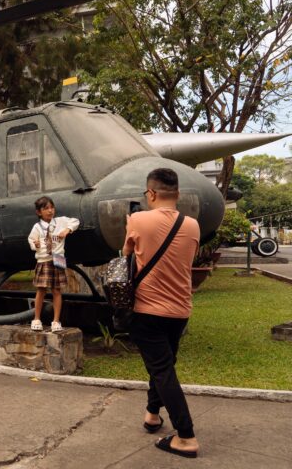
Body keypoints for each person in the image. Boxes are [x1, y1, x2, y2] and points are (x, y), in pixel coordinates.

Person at [122, 168, 200, 459]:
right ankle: (152, 414)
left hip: (147, 310)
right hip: (180, 311)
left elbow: (125, 256)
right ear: (177, 194)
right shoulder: (192, 225)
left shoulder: (138, 220)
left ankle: (186, 436)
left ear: (150, 194)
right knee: (163, 365)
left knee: (162, 369)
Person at [27, 196, 79, 332]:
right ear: (39, 212)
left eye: (52, 207)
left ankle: (56, 321)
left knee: (57, 290)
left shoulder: (60, 221)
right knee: (41, 289)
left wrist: (67, 230)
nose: (50, 211)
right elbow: (31, 239)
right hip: (44, 260)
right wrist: (35, 244)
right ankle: (36, 318)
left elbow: (75, 221)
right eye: (46, 209)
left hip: (58, 258)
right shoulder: (37, 227)